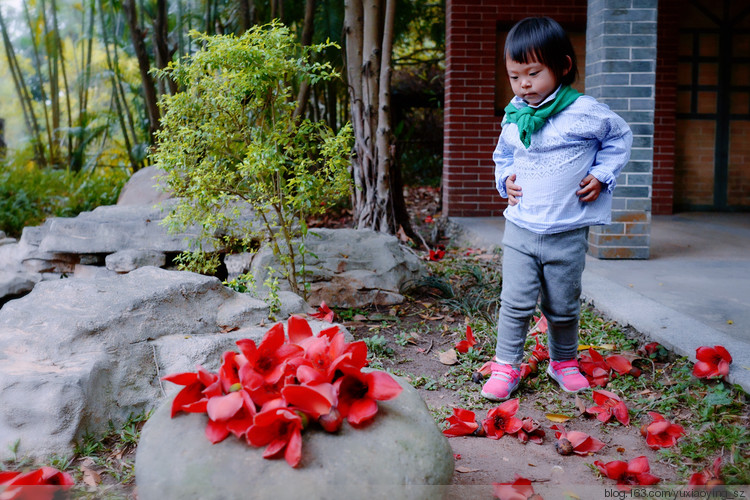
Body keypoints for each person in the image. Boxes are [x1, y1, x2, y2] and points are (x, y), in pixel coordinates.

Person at [481, 16, 633, 401]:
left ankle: (562, 362)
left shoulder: (584, 111)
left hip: (566, 230)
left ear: (563, 67)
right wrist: (506, 180)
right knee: (514, 303)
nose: (524, 85)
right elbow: (503, 155)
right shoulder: (514, 114)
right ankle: (506, 364)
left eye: (533, 73)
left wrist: (602, 173)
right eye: (515, 77)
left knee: (563, 305)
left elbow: (620, 136)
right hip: (520, 228)